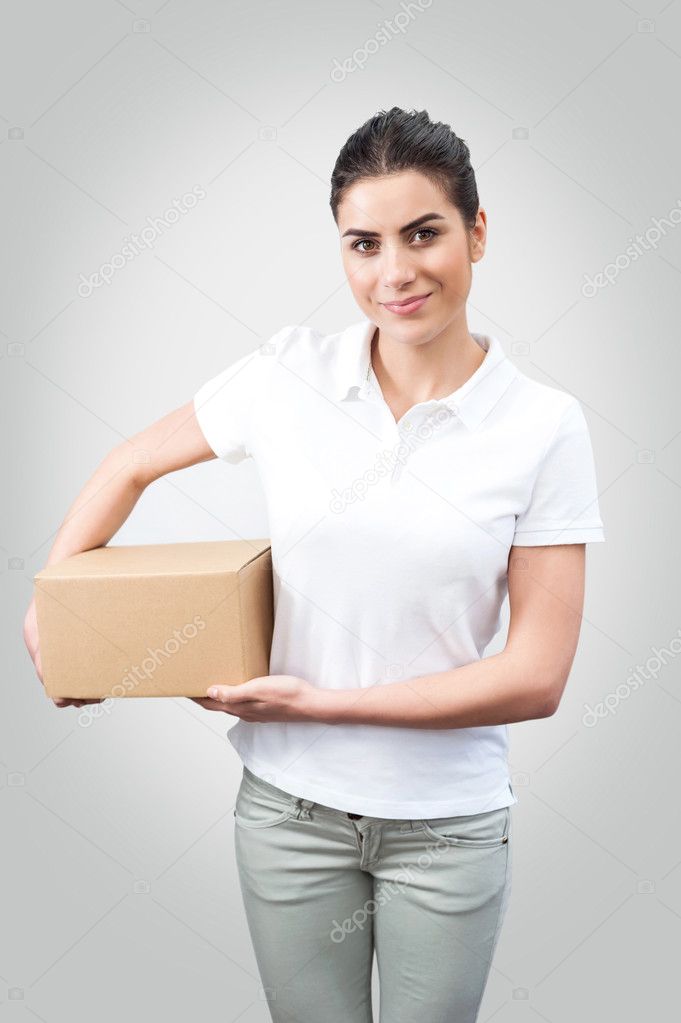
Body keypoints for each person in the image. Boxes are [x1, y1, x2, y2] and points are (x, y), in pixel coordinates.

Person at [23, 107, 606, 1022]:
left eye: (423, 234)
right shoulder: (288, 377)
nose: (394, 273)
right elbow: (127, 463)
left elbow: (537, 677)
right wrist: (49, 608)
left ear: (477, 232)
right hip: (287, 816)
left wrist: (319, 704)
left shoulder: (542, 425)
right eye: (362, 244)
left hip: (445, 828)